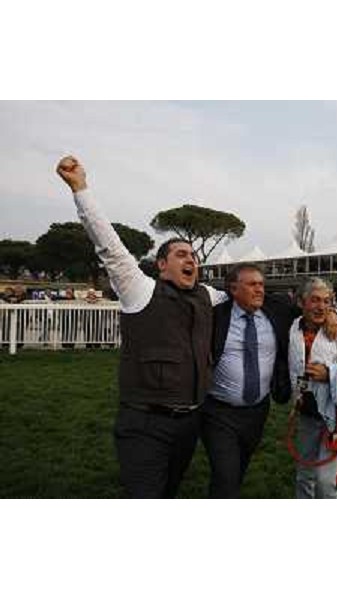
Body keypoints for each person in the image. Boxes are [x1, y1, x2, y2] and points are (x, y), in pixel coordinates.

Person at [56, 155, 230, 498]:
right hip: (145, 425)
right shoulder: (140, 289)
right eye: (181, 254)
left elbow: (244, 296)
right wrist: (80, 188)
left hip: (190, 423)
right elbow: (109, 245)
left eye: (193, 255)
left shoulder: (208, 295)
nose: (190, 259)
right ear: (161, 264)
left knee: (169, 492)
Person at [199, 263, 296, 499]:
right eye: (252, 284)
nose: (259, 289)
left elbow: (315, 307)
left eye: (261, 284)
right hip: (218, 413)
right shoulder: (215, 316)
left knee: (238, 470)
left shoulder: (278, 309)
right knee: (226, 476)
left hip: (257, 411)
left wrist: (333, 313)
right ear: (233, 288)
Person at [288, 277, 337, 499]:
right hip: (305, 413)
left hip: (335, 418)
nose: (321, 306)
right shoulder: (292, 326)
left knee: (325, 481)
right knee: (304, 473)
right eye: (315, 300)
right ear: (301, 302)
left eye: (327, 301)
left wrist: (330, 374)